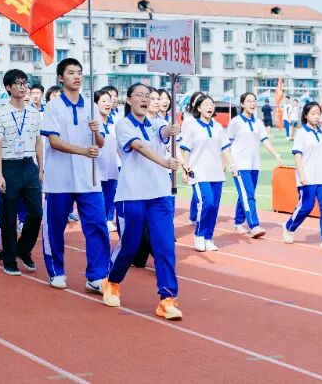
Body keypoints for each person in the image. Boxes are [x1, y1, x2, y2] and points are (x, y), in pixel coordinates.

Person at [102, 83, 184, 320]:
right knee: (130, 246)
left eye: (148, 96)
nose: (144, 99)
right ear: (129, 100)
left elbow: (163, 132)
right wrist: (164, 162)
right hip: (132, 194)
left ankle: (167, 298)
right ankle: (112, 281)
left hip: (160, 194)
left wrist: (171, 129)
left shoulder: (157, 123)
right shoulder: (123, 125)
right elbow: (138, 146)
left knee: (165, 247)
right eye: (139, 95)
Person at [39, 58, 109, 293]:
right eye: (71, 73)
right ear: (61, 78)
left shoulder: (90, 105)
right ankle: (56, 271)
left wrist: (96, 132)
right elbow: (54, 141)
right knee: (55, 227)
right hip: (60, 179)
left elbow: (100, 142)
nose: (77, 76)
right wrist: (83, 151)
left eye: (79, 72)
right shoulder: (54, 106)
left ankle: (96, 276)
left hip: (89, 178)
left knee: (97, 225)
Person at [0, 68, 43, 277]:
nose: (23, 87)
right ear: (8, 87)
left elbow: (38, 141)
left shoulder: (34, 112)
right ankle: (10, 259)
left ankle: (23, 249)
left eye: (25, 83)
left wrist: (40, 168)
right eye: (18, 83)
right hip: (9, 166)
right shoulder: (0, 114)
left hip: (29, 165)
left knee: (36, 213)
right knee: (8, 217)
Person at [180, 93, 237, 252]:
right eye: (205, 104)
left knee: (214, 207)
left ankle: (208, 238)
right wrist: (184, 169)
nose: (210, 107)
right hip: (198, 172)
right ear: (198, 108)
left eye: (211, 104)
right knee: (207, 202)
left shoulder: (218, 127)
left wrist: (232, 165)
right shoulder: (192, 126)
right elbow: (185, 149)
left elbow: (225, 148)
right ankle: (199, 235)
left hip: (216, 172)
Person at [283, 101, 322, 250]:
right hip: (307, 177)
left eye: (318, 113)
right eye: (313, 113)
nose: (316, 116)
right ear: (306, 115)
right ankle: (289, 227)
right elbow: (297, 155)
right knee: (306, 206)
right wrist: (301, 175)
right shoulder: (301, 133)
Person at [227, 92, 281, 238]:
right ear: (242, 104)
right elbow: (227, 144)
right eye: (249, 101)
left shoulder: (258, 123)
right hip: (240, 165)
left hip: (254, 165)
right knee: (249, 195)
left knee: (245, 195)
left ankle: (238, 223)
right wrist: (229, 164)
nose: (252, 104)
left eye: (254, 101)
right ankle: (254, 225)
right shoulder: (236, 122)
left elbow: (265, 140)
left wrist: (276, 154)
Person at [94, 90, 121, 232]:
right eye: (103, 101)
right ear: (96, 104)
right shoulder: (93, 122)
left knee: (111, 194)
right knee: (98, 197)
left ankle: (108, 220)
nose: (107, 104)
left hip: (111, 164)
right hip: (96, 165)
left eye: (109, 101)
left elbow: (118, 146)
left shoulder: (114, 121)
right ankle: (99, 222)